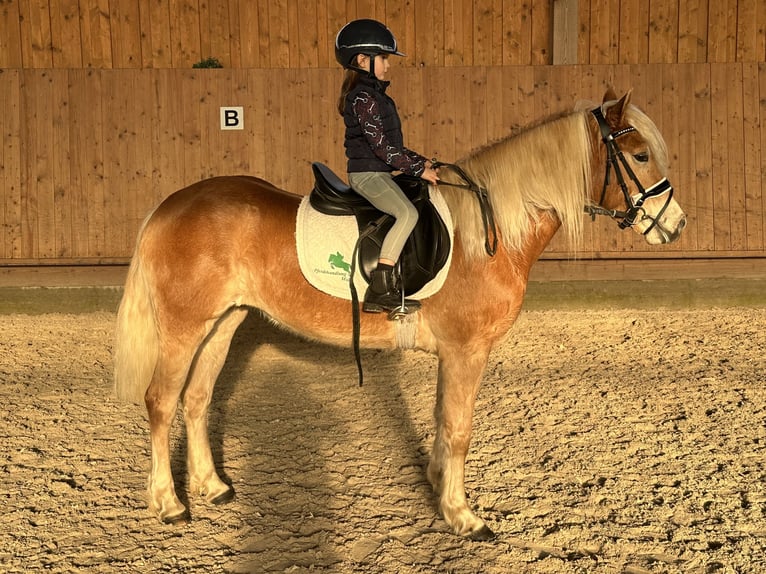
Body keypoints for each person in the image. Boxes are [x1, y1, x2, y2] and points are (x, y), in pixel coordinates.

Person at [335, 19, 439, 315]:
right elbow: (383, 149)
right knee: (407, 213)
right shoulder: (364, 98)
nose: (387, 65)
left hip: (379, 171)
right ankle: (380, 288)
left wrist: (423, 162)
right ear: (362, 60)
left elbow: (392, 148)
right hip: (367, 175)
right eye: (383, 58)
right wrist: (419, 169)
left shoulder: (377, 96)